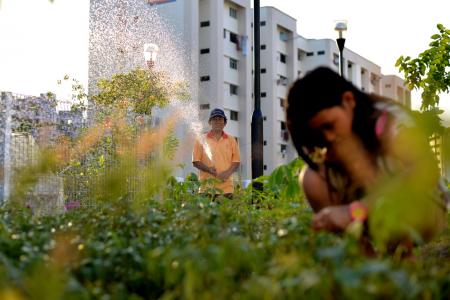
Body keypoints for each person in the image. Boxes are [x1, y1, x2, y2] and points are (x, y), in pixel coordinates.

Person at [286, 67, 448, 251]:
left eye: (329, 125)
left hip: (424, 208)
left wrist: (356, 211)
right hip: (367, 217)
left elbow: (426, 170)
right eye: (318, 133)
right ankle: (364, 262)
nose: (328, 137)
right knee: (311, 178)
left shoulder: (388, 120)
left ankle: (403, 255)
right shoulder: (328, 146)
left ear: (348, 101)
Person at [192, 108, 241, 198]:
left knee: (226, 212)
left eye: (220, 119)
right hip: (206, 189)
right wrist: (208, 169)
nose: (217, 121)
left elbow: (236, 162)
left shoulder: (231, 140)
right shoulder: (201, 139)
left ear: (225, 123)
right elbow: (195, 161)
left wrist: (227, 173)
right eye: (214, 119)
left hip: (227, 190)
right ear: (210, 122)